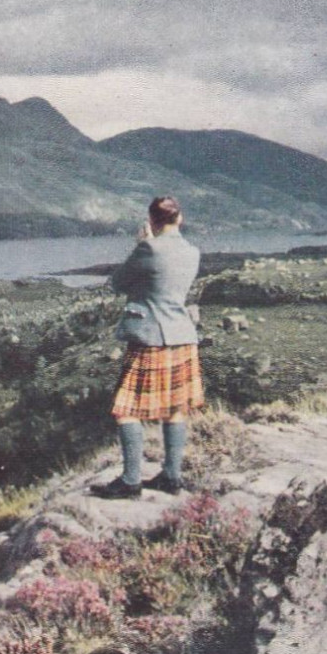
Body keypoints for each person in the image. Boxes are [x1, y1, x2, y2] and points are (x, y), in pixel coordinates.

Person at [90, 195, 205, 499]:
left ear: (152, 221)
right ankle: (171, 476)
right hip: (182, 336)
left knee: (126, 409)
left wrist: (141, 244)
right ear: (179, 219)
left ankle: (130, 481)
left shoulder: (148, 248)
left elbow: (117, 283)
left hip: (151, 337)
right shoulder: (193, 252)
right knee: (175, 408)